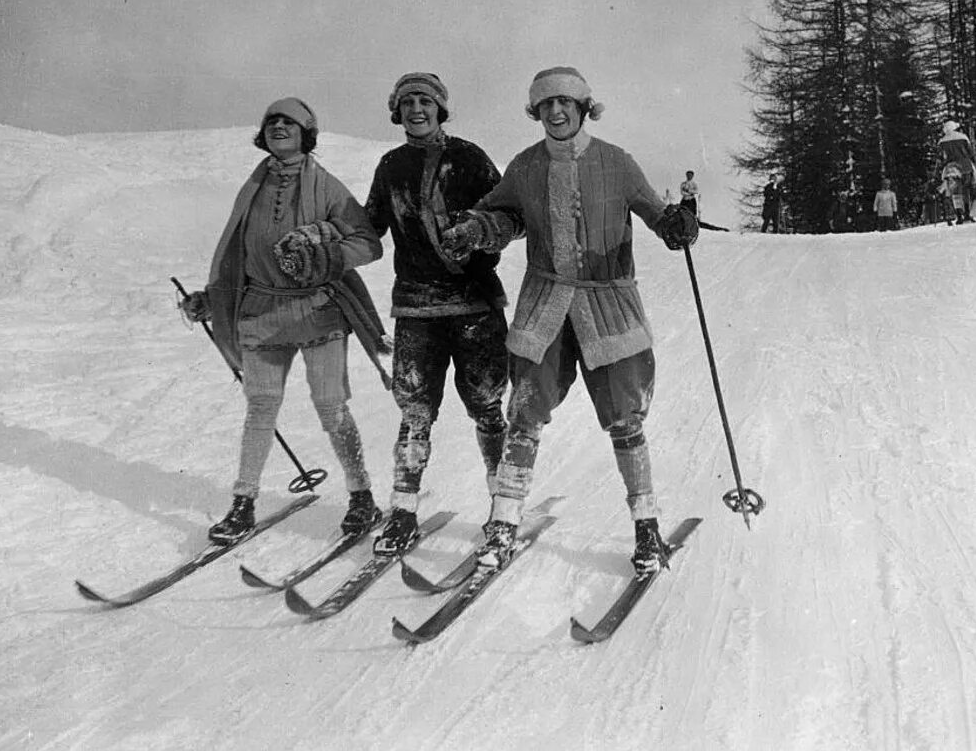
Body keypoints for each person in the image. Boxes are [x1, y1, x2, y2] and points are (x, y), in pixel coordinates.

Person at [439, 66, 699, 576]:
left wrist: (675, 224)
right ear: (535, 112)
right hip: (546, 305)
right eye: (545, 105)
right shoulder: (526, 166)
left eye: (565, 103)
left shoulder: (616, 162)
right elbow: (501, 215)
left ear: (584, 107)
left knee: (625, 417)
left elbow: (652, 209)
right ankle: (503, 525)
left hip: (608, 306)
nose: (555, 113)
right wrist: (475, 229)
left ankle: (646, 527)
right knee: (525, 411)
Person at [179, 98, 386, 545]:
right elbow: (237, 257)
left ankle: (361, 496)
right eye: (271, 121)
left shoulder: (327, 186)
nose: (277, 127)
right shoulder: (252, 188)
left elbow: (369, 243)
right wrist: (210, 301)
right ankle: (243, 504)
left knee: (331, 407)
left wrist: (328, 252)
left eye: (288, 122)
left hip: (317, 312)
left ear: (307, 132)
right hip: (260, 312)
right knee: (260, 408)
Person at [362, 72, 510, 556]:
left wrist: (480, 230)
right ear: (396, 111)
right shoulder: (390, 166)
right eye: (407, 103)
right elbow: (369, 229)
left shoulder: (470, 158)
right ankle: (403, 511)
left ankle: (502, 509)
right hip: (416, 308)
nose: (416, 110)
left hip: (474, 303)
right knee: (414, 410)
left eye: (425, 101)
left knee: (487, 406)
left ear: (441, 108)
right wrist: (326, 245)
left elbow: (512, 217)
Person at [938, 120, 976, 223]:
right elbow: (970, 152)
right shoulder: (963, 137)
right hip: (965, 166)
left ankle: (959, 216)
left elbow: (941, 158)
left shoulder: (942, 141)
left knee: (955, 193)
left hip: (951, 168)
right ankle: (968, 214)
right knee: (966, 190)